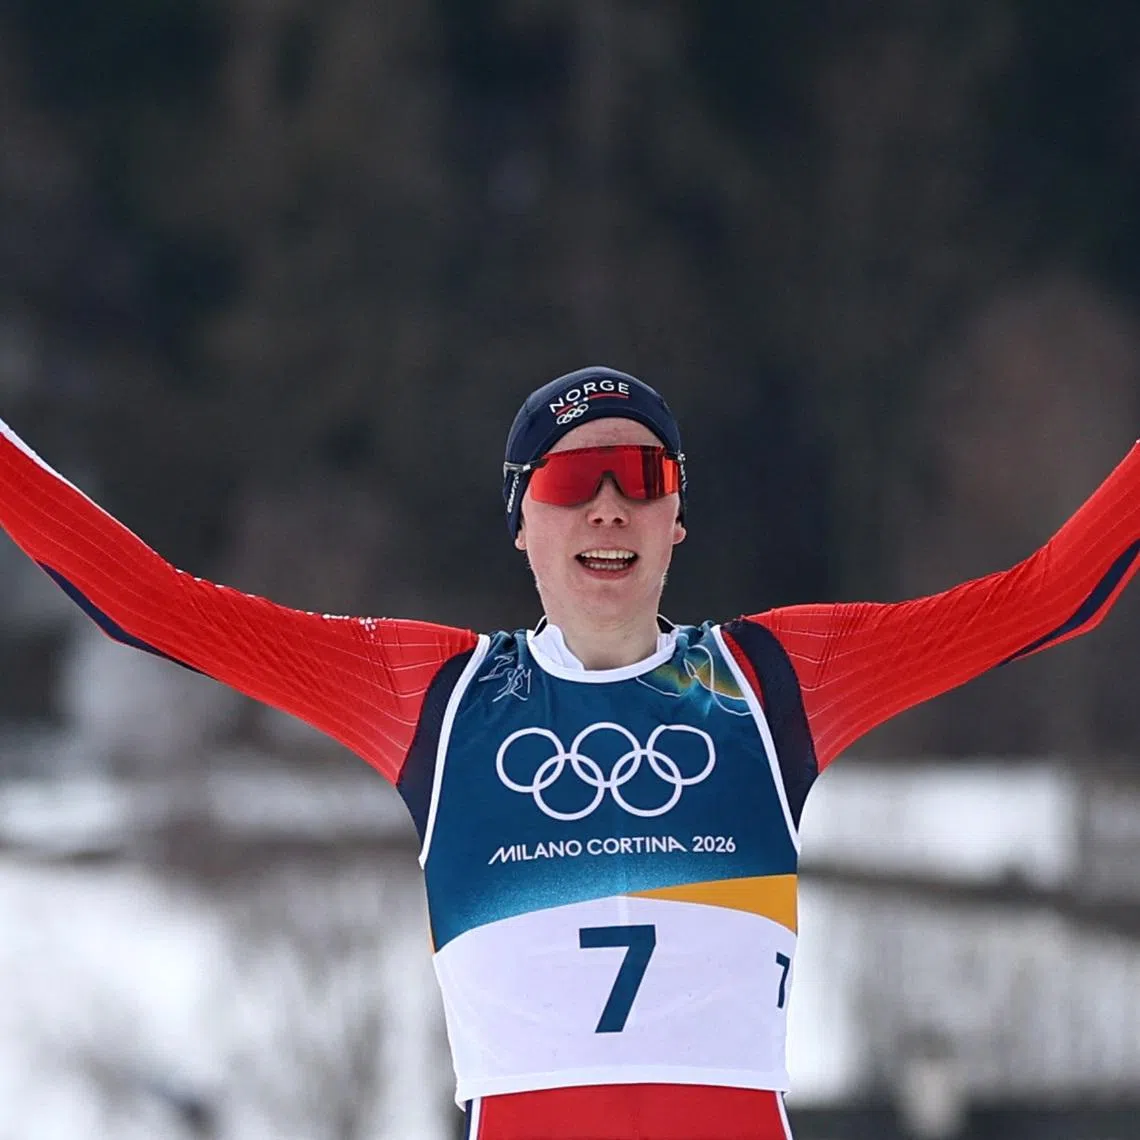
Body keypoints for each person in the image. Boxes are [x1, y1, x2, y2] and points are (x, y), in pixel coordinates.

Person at [0, 365, 1138, 1140]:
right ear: (522, 519)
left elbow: (1054, 595)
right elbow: (148, 604)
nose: (608, 508)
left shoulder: (775, 679)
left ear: (677, 518)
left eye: (642, 479)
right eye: (568, 481)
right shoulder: (434, 697)